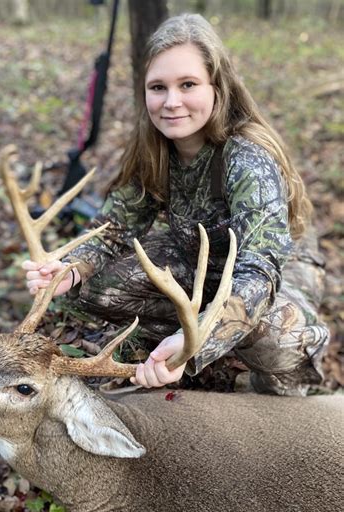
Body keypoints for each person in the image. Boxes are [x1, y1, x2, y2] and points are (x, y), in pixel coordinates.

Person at [22, 13, 329, 396]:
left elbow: (260, 270)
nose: (171, 102)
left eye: (188, 85)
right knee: (93, 287)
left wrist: (195, 341)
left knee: (277, 339)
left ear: (218, 87)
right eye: (158, 87)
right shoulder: (155, 148)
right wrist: (69, 269)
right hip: (199, 261)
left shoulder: (246, 157)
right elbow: (114, 228)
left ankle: (275, 370)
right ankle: (193, 342)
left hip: (277, 277)